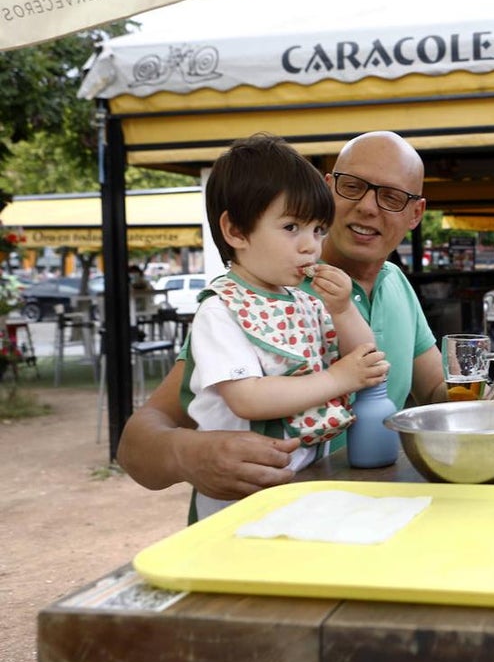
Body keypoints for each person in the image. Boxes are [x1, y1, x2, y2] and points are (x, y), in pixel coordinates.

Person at [118, 129, 448, 516]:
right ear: (329, 189)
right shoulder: (259, 295)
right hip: (256, 521)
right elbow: (137, 441)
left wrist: (486, 401)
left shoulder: (395, 284)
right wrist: (187, 454)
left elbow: (435, 392)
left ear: (416, 214)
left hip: (357, 518)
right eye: (353, 186)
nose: (367, 207)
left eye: (391, 197)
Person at [187, 133, 388, 522]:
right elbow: (247, 398)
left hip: (304, 486)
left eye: (318, 230)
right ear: (236, 231)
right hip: (241, 503)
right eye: (292, 227)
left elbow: (367, 360)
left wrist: (344, 309)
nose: (310, 246)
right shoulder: (220, 310)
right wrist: (337, 379)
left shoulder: (306, 300)